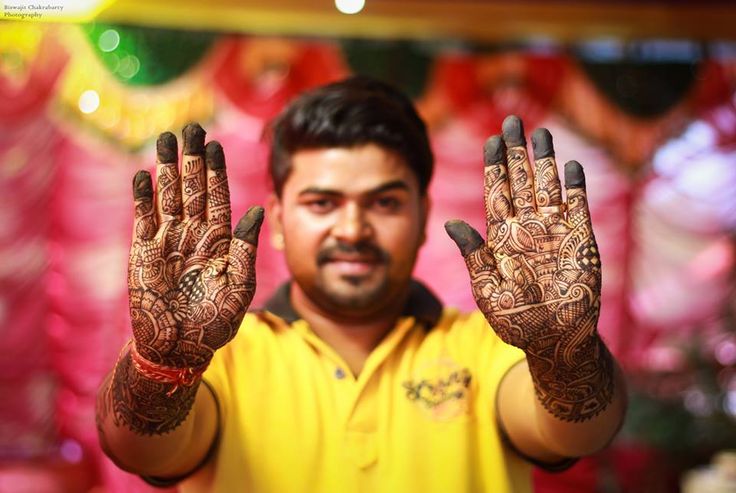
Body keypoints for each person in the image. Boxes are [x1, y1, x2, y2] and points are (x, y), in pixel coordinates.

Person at [96, 76, 626, 492]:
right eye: (322, 203)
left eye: (385, 202)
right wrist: (162, 362)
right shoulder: (218, 356)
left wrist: (563, 350)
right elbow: (140, 451)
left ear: (423, 217)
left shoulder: (493, 346)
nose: (352, 230)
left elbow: (582, 431)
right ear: (278, 220)